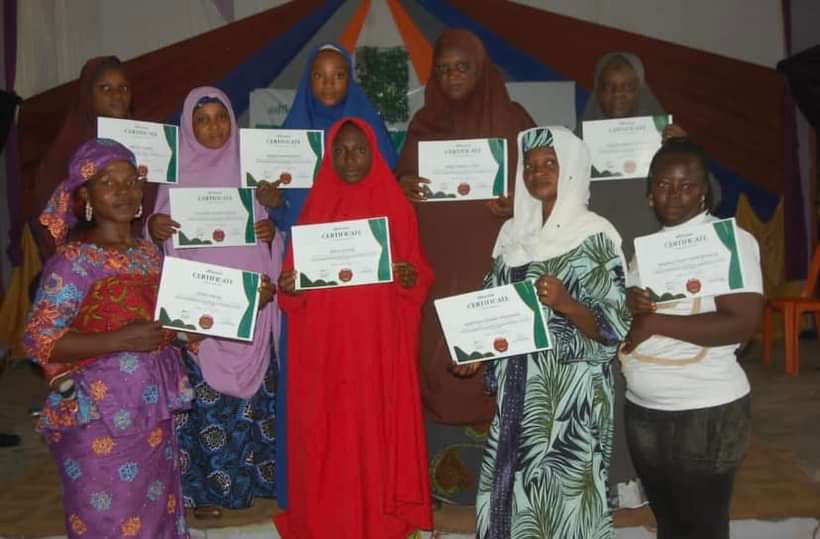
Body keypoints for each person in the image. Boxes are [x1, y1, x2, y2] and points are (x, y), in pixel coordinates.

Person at [458, 126, 629, 537]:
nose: (538, 173)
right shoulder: (514, 234)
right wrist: (476, 352)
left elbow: (615, 325)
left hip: (570, 400)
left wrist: (568, 304)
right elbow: (493, 304)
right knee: (511, 500)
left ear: (570, 167)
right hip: (518, 393)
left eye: (550, 163)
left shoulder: (594, 234)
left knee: (563, 505)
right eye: (530, 166)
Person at [23, 138, 193, 538]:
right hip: (98, 416)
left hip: (153, 412)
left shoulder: (149, 255)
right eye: (108, 182)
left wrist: (235, 307)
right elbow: (40, 340)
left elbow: (170, 324)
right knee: (109, 520)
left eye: (131, 181)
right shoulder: (73, 262)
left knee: (157, 517)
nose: (123, 190)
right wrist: (121, 340)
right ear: (85, 196)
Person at [395, 28, 535, 505]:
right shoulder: (423, 124)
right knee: (437, 362)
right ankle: (444, 480)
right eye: (444, 69)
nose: (453, 76)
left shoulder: (514, 121)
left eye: (462, 67)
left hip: (493, 267)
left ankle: (504, 483)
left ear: (481, 69)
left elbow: (547, 182)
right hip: (438, 270)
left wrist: (519, 201)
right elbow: (397, 186)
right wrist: (403, 184)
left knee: (497, 361)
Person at [254, 43, 398, 507]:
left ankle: (365, 482)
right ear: (307, 80)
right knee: (313, 389)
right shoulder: (290, 136)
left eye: (338, 75)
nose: (329, 84)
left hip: (362, 294)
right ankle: (313, 485)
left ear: (350, 79)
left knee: (361, 388)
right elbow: (287, 220)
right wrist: (275, 206)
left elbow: (390, 210)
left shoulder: (368, 132)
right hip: (310, 287)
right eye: (320, 75)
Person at [274, 117, 433, 538]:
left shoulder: (397, 207)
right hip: (325, 354)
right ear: (329, 155)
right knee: (328, 439)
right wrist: (291, 288)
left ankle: (380, 523)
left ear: (374, 152)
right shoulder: (313, 210)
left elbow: (419, 277)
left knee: (375, 434)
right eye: (340, 150)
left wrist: (409, 279)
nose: (349, 159)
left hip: (377, 352)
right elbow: (290, 292)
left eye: (359, 150)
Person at [147, 87, 282, 514]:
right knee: (208, 411)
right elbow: (157, 249)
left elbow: (272, 235)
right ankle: (210, 491)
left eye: (220, 117)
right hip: (202, 316)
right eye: (202, 120)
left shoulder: (251, 173)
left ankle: (259, 482)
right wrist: (153, 228)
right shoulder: (175, 179)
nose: (213, 127)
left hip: (251, 312)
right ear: (188, 126)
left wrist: (272, 233)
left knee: (254, 408)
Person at [620, 138, 762, 539]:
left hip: (705, 412)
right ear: (650, 192)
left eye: (687, 185)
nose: (674, 194)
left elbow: (742, 323)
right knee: (670, 527)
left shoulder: (728, 241)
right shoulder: (647, 251)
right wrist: (631, 304)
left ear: (704, 191)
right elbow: (635, 324)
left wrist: (654, 323)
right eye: (664, 185)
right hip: (645, 410)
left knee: (703, 529)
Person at [579, 52, 692, 509]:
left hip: (654, 277)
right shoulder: (580, 146)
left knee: (654, 377)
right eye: (608, 87)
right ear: (597, 92)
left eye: (627, 86)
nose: (618, 96)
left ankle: (656, 474)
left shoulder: (667, 142)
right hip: (600, 276)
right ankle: (616, 474)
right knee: (607, 380)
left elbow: (708, 195)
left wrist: (684, 149)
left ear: (640, 89)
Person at [26, 57, 135, 261]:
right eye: (105, 88)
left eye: (124, 88)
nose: (117, 95)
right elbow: (50, 215)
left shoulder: (147, 142)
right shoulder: (69, 147)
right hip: (84, 259)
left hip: (137, 253)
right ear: (88, 94)